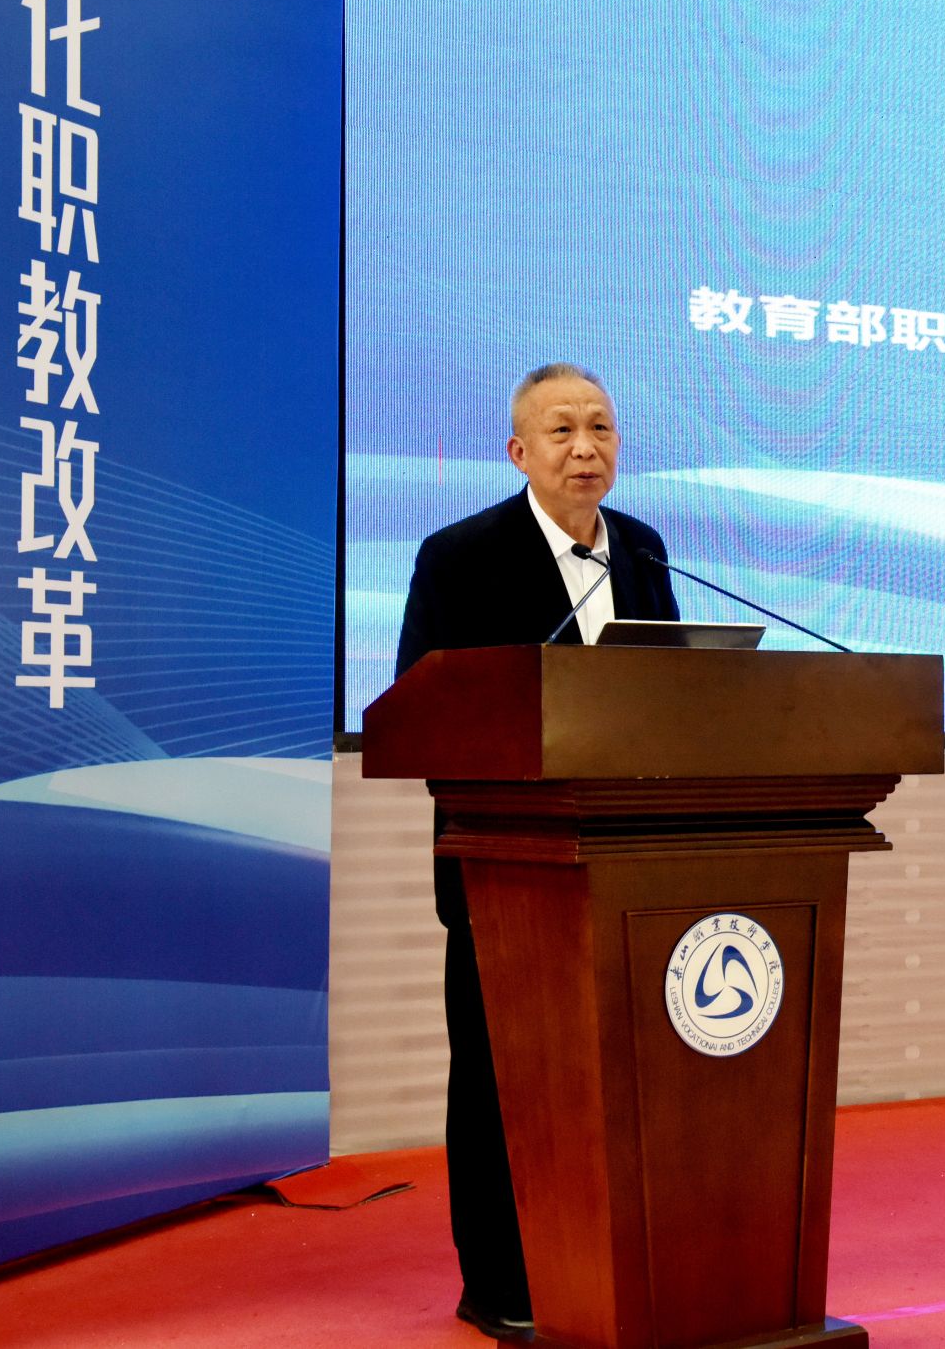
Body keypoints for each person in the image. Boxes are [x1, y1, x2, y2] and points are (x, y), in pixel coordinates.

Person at [394, 362, 680, 1342]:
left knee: (616, 1078)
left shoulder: (641, 550)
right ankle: (499, 1282)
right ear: (519, 451)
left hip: (625, 863)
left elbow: (672, 699)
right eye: (561, 431)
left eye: (600, 427)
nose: (584, 447)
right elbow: (422, 711)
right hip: (504, 868)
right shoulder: (459, 556)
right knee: (498, 1080)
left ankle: (607, 1259)